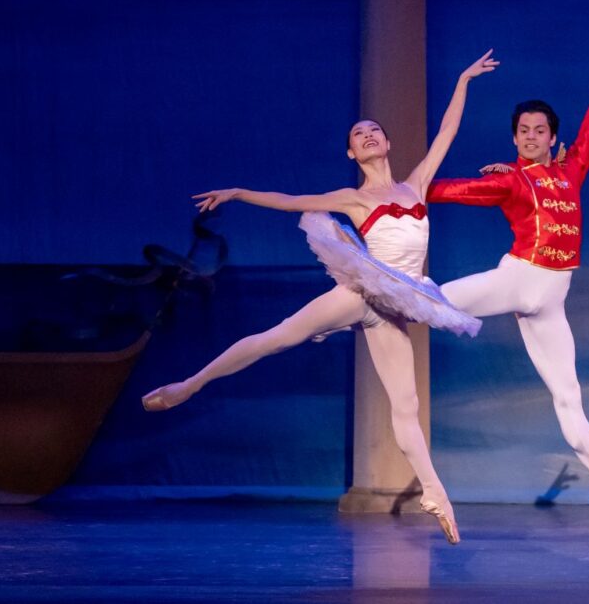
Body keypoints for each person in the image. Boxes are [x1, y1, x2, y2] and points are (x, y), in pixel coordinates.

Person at [141, 50, 500, 544]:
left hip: (397, 305)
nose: (368, 135)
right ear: (352, 154)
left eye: (374, 130)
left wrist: (462, 80)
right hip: (363, 291)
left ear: (388, 143)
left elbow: (446, 133)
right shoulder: (353, 198)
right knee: (277, 338)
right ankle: (189, 385)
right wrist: (240, 192)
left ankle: (435, 491)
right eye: (358, 134)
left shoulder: (415, 185)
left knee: (406, 402)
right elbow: (291, 202)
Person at [427, 38, 589, 528]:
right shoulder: (511, 180)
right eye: (523, 131)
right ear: (514, 139)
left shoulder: (572, 170)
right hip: (518, 278)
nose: (531, 137)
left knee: (569, 396)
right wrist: (407, 191)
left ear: (552, 138)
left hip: (551, 301)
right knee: (428, 300)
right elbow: (452, 190)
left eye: (539, 130)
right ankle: (349, 313)